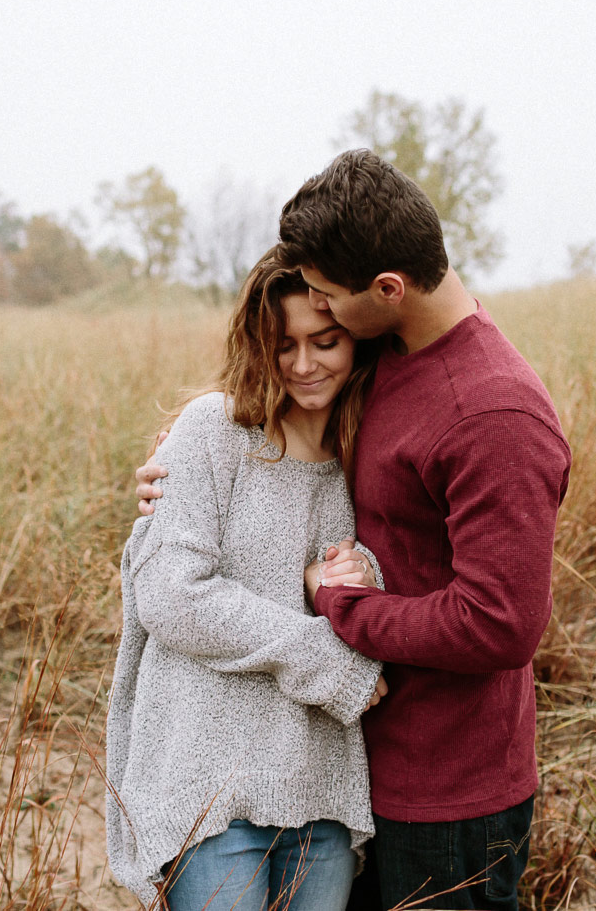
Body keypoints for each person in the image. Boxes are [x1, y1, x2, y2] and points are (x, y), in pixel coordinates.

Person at [136, 149, 572, 911]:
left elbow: (501, 624)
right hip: (356, 773)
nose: (321, 315)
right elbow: (258, 448)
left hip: (448, 790)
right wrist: (171, 484)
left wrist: (343, 609)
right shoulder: (386, 363)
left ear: (387, 291)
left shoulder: (492, 411)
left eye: (330, 304)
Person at [106, 247, 393, 911]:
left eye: (325, 342)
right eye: (282, 343)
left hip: (319, 788)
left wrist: (358, 580)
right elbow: (173, 595)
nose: (302, 364)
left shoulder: (371, 450)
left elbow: (391, 584)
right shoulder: (215, 429)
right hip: (212, 790)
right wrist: (324, 651)